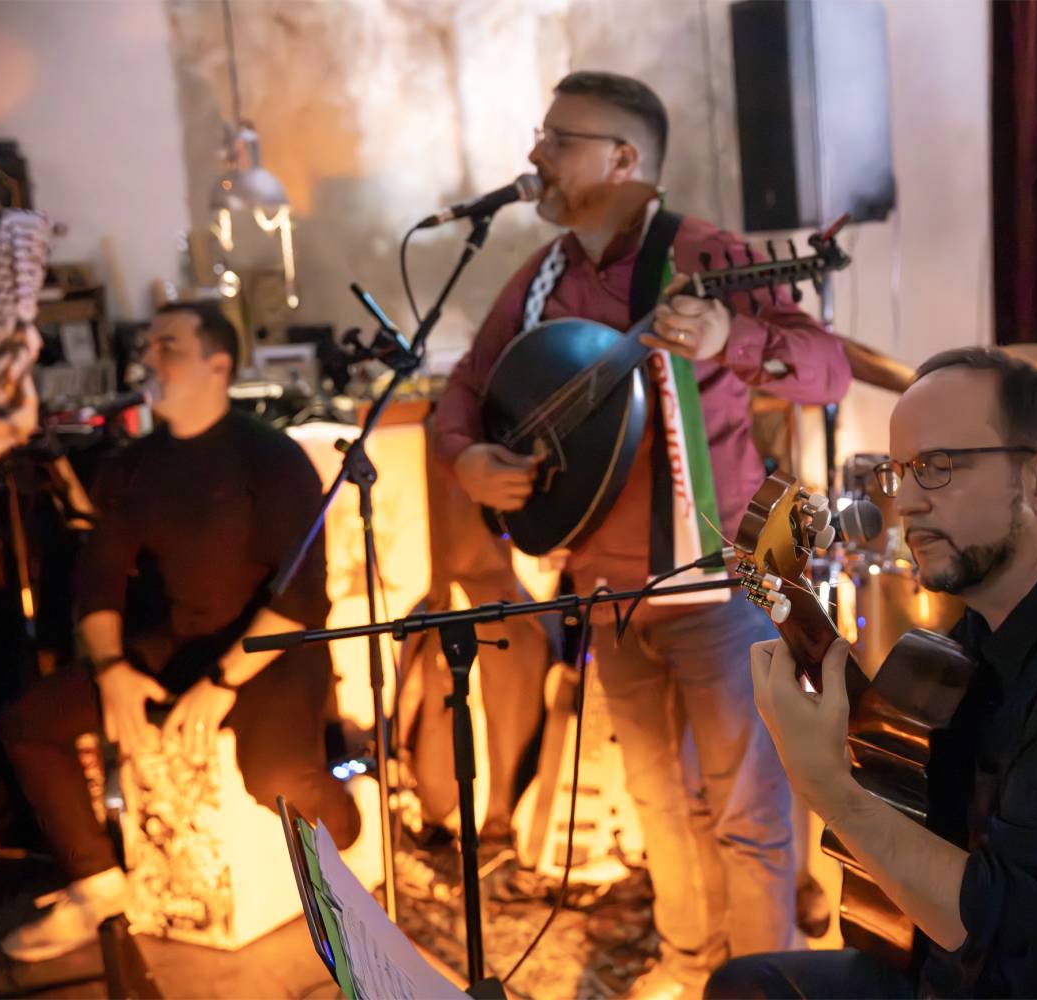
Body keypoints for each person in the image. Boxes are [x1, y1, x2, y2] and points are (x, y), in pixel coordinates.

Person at [432, 71, 852, 996]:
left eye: (558, 139)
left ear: (624, 159)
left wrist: (730, 341)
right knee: (660, 799)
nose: (536, 155)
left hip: (721, 583)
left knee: (747, 813)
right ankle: (687, 960)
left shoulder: (704, 254)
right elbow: (465, 385)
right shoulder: (542, 276)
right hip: (606, 589)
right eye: (542, 135)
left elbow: (828, 370)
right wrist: (466, 458)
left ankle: (762, 985)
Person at [712, 347, 1037, 998]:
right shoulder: (980, 629)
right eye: (899, 473)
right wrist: (823, 672)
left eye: (936, 467)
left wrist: (828, 787)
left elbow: (1017, 944)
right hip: (962, 964)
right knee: (748, 984)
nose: (906, 503)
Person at [0, 303, 359, 962]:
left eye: (168, 346)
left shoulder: (272, 458)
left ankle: (352, 819)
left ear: (218, 364)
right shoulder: (133, 464)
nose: (149, 358)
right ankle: (98, 885)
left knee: (276, 780)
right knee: (30, 723)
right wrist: (112, 671)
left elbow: (302, 600)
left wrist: (222, 683)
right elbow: (99, 584)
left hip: (268, 651)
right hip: (177, 641)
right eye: (148, 346)